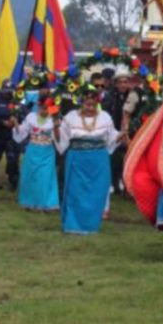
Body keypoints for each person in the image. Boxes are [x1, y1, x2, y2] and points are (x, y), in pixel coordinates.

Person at [55, 85, 120, 234]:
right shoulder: (71, 117)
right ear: (81, 103)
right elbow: (62, 141)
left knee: (96, 192)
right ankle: (73, 225)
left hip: (98, 161)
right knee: (75, 192)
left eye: (93, 105)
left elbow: (112, 138)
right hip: (77, 158)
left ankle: (91, 225)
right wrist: (55, 128)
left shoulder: (105, 117)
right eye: (87, 104)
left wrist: (121, 136)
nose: (90, 108)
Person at [12, 88, 60, 211]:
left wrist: (56, 127)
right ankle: (29, 202)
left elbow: (59, 139)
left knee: (45, 177)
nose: (44, 111)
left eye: (46, 108)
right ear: (38, 106)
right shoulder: (31, 117)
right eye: (42, 108)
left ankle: (45, 203)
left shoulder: (54, 119)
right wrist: (16, 124)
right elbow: (22, 132)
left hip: (47, 152)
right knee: (31, 176)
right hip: (32, 151)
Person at [103, 69, 140, 196]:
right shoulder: (109, 96)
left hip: (129, 132)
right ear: (116, 83)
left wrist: (127, 132)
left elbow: (134, 114)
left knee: (128, 159)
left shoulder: (133, 95)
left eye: (126, 82)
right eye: (120, 82)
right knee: (114, 159)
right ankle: (114, 184)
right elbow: (107, 114)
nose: (123, 85)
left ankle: (127, 186)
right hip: (113, 132)